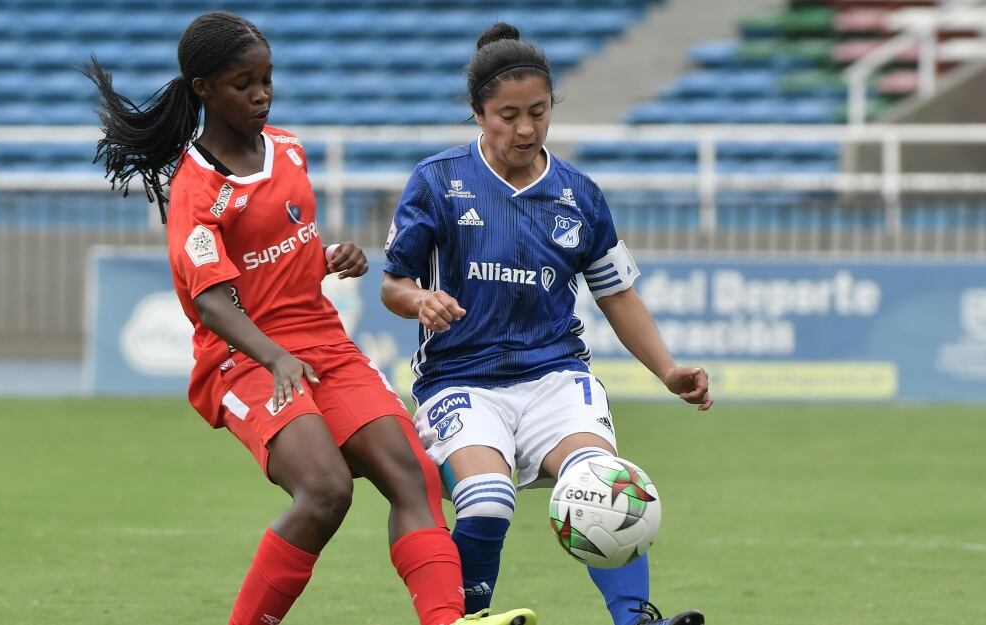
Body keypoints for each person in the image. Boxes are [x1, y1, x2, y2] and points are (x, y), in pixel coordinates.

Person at [85, 12, 535, 625]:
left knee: (413, 476)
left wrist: (328, 257)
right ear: (203, 90)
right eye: (244, 84)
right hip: (245, 359)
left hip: (323, 344)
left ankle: (445, 621)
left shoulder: (289, 149)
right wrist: (275, 357)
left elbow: (274, 252)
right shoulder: (196, 188)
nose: (262, 94)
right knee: (326, 490)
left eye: (267, 79)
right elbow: (212, 300)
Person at [381, 22, 711, 625]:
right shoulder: (437, 181)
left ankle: (637, 619)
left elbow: (617, 294)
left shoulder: (579, 194)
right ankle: (467, 618)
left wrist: (667, 370)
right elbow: (393, 284)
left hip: (554, 377)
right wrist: (419, 300)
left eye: (538, 112)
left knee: (607, 486)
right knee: (487, 501)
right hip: (460, 380)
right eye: (508, 116)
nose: (526, 129)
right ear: (478, 112)